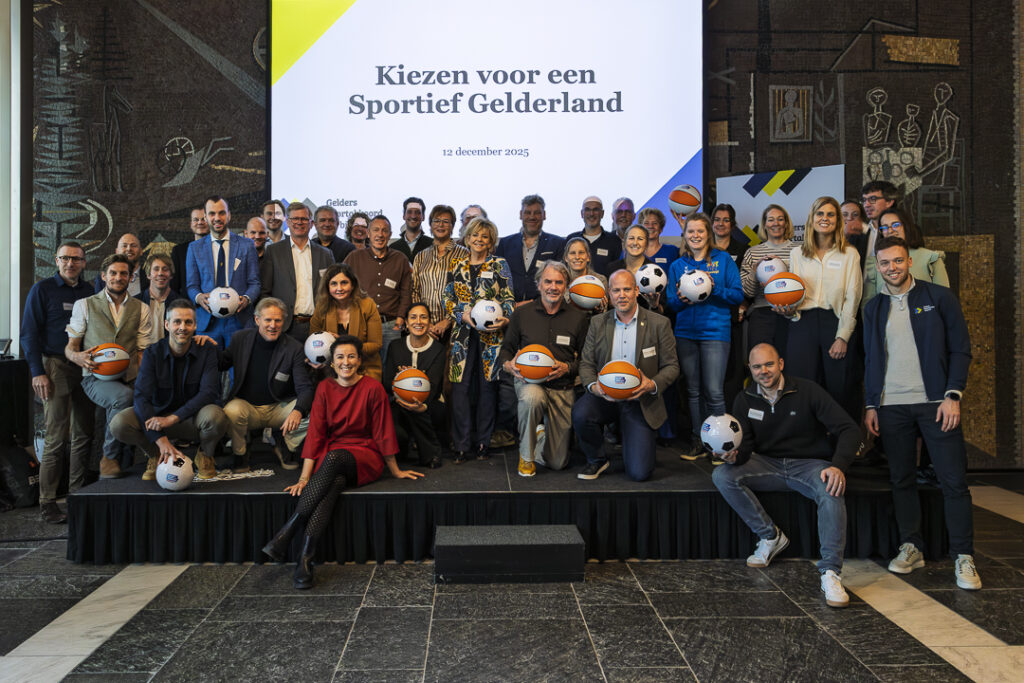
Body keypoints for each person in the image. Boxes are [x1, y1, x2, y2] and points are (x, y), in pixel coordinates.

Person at [863, 236, 980, 590]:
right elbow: (870, 358)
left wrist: (952, 394)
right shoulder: (873, 307)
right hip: (891, 406)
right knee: (902, 479)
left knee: (953, 481)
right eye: (885, 263)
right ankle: (911, 546)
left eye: (898, 261)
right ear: (878, 266)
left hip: (937, 404)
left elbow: (961, 349)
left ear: (909, 261)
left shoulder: (939, 297)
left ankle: (964, 557)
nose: (892, 268)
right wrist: (871, 403)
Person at [261, 335, 423, 589]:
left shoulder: (373, 388)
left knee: (334, 458)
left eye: (351, 356)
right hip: (333, 455)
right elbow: (315, 434)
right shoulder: (324, 388)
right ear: (332, 362)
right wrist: (304, 478)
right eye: (340, 357)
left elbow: (383, 432)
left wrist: (395, 471)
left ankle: (288, 530)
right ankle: (305, 558)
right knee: (333, 484)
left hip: (365, 455)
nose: (345, 362)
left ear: (359, 361)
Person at [713, 343, 859, 608]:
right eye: (757, 367)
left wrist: (838, 466)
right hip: (767, 463)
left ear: (780, 364)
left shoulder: (808, 391)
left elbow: (850, 429)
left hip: (809, 465)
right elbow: (745, 448)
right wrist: (734, 457)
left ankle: (830, 573)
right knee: (722, 475)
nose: (764, 371)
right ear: (751, 370)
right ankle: (770, 536)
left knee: (832, 489)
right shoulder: (744, 398)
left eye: (769, 364)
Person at [572, 270, 679, 481]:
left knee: (640, 473)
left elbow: (672, 366)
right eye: (616, 290)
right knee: (581, 413)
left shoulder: (659, 323)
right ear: (609, 294)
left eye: (627, 289)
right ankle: (597, 459)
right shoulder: (597, 323)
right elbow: (586, 364)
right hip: (605, 395)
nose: (621, 295)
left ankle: (633, 440)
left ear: (636, 291)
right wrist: (594, 387)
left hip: (640, 399)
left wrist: (652, 384)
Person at [109, 300, 228, 480]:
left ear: (195, 325)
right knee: (119, 424)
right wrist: (160, 439)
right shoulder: (152, 353)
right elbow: (141, 397)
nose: (183, 327)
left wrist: (173, 418)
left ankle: (205, 454)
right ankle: (157, 453)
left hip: (192, 419)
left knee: (216, 416)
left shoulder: (206, 350)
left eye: (188, 322)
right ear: (167, 324)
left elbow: (209, 392)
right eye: (177, 322)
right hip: (158, 420)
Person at [20, 241, 94, 523]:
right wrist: (37, 372)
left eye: (76, 259)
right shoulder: (42, 290)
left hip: (85, 368)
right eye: (65, 258)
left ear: (84, 263)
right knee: (56, 436)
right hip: (55, 366)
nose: (70, 263)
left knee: (84, 434)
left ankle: (76, 494)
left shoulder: (90, 292)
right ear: (56, 260)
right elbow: (28, 333)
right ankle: (48, 501)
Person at [66, 254, 153, 479]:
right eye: (113, 273)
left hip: (130, 375)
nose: (118, 277)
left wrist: (143, 384)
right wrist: (77, 357)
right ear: (104, 276)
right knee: (123, 398)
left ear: (131, 277)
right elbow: (70, 348)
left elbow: (142, 352)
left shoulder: (142, 308)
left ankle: (152, 460)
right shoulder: (84, 305)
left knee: (144, 402)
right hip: (95, 378)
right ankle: (109, 458)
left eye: (124, 273)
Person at [499, 262, 589, 476]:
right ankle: (526, 457)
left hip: (562, 386)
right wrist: (509, 365)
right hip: (529, 383)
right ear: (538, 284)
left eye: (559, 282)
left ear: (566, 286)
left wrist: (567, 367)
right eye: (548, 281)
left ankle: (539, 436)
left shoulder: (578, 318)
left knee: (557, 462)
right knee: (532, 398)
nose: (553, 287)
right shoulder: (522, 314)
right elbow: (506, 350)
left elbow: (587, 361)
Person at [666, 212, 744, 462]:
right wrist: (681, 299)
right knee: (692, 390)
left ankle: (719, 444)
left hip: (715, 332)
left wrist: (713, 288)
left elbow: (737, 295)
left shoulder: (723, 260)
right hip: (686, 334)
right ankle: (698, 440)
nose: (695, 235)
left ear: (708, 234)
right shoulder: (678, 265)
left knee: (714, 391)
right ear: (684, 235)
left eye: (700, 231)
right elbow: (670, 303)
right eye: (691, 231)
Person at [777, 196, 862, 420]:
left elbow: (852, 297)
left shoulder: (850, 254)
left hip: (834, 324)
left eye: (830, 214)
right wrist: (788, 311)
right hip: (801, 324)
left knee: (839, 387)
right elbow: (793, 292)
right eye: (820, 214)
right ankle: (806, 437)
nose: (825, 218)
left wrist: (843, 337)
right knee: (801, 385)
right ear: (812, 218)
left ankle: (843, 437)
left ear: (838, 220)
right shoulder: (797, 254)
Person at [443, 217, 515, 463]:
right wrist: (461, 315)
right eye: (475, 235)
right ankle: (461, 445)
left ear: (491, 240)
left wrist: (505, 318)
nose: (479, 240)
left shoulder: (499, 264)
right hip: (462, 336)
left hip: (491, 336)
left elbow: (508, 298)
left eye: (484, 236)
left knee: (488, 388)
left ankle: (484, 442)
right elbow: (447, 298)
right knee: (460, 389)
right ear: (467, 237)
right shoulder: (457, 265)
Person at [221, 298, 314, 473]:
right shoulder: (240, 339)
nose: (273, 325)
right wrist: (205, 346)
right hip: (247, 407)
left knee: (314, 411)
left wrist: (298, 410)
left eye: (278, 320)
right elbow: (221, 363)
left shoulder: (294, 348)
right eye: (268, 320)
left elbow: (305, 388)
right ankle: (240, 452)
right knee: (230, 412)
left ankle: (286, 443)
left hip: (279, 407)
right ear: (257, 320)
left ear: (284, 322)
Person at [186, 196, 261, 348]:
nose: (217, 218)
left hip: (239, 321)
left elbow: (255, 283)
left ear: (229, 215)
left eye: (221, 213)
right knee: (208, 364)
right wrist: (199, 297)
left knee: (239, 364)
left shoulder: (247, 245)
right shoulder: (194, 248)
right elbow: (191, 286)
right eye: (212, 214)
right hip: (208, 323)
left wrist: (247, 299)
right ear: (205, 217)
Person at [383, 302, 447, 470]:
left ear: (429, 322)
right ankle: (402, 450)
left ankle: (431, 454)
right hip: (399, 401)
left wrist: (420, 403)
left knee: (418, 411)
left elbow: (434, 386)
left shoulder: (438, 349)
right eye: (413, 317)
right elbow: (387, 381)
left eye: (423, 317)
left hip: (430, 403)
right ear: (406, 322)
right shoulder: (395, 346)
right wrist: (401, 379)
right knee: (394, 420)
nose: (418, 321)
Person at [260, 203, 334, 341]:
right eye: (295, 219)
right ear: (288, 222)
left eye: (304, 219)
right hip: (284, 326)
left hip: (318, 325)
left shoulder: (325, 254)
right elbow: (265, 291)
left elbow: (332, 291)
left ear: (311, 223)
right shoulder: (273, 252)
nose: (299, 222)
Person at [343, 214, 412, 362]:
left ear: (390, 235)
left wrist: (400, 319)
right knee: (361, 366)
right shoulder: (354, 257)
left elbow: (406, 292)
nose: (380, 234)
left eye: (384, 230)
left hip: (391, 325)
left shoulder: (400, 259)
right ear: (368, 233)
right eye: (376, 230)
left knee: (390, 368)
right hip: (361, 324)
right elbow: (341, 288)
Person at [310, 264, 383, 381]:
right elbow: (313, 343)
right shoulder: (321, 308)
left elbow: (376, 345)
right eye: (334, 284)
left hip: (364, 369)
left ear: (353, 285)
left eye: (344, 283)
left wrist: (343, 343)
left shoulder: (367, 305)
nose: (339, 288)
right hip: (332, 371)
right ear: (327, 287)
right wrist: (312, 357)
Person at [862, 208, 948, 305]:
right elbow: (868, 304)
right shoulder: (876, 262)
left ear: (906, 227)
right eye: (884, 227)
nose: (890, 231)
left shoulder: (930, 258)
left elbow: (945, 299)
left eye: (895, 225)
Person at [739, 204, 795, 353]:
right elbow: (747, 292)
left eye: (780, 219)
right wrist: (755, 272)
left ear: (786, 223)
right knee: (761, 359)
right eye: (771, 220)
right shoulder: (752, 253)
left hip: (790, 312)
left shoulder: (798, 251)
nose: (776, 223)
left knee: (790, 361)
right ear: (764, 224)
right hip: (761, 314)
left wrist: (784, 278)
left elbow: (805, 284)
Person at [494, 194, 566, 305]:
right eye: (527, 212)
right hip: (510, 309)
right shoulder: (505, 243)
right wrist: (510, 305)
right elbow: (496, 278)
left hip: (543, 308)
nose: (532, 217)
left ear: (544, 215)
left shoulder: (557, 243)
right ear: (520, 215)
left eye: (537, 213)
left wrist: (533, 303)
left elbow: (560, 280)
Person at [411, 204, 468, 340]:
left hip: (455, 327)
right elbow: (415, 291)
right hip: (425, 328)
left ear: (452, 226)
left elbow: (467, 293)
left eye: (446, 221)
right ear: (430, 225)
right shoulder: (420, 256)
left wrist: (447, 321)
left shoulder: (464, 254)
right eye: (436, 221)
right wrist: (425, 322)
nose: (440, 225)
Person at [606, 225, 666, 313]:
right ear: (624, 242)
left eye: (640, 239)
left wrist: (654, 305)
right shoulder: (612, 268)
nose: (635, 243)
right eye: (631, 238)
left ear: (647, 244)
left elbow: (662, 311)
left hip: (645, 320)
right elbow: (608, 304)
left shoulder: (656, 272)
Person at [566, 196, 620, 277]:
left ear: (602, 214)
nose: (591, 214)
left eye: (596, 209)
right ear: (582, 214)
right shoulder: (571, 239)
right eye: (587, 210)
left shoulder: (614, 241)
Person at [136, 253, 181, 344]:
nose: (160, 273)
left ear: (171, 275)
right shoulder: (135, 302)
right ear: (148, 274)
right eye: (156, 269)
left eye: (165, 269)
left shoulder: (181, 303)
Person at [858, 180, 898, 275]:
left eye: (873, 199)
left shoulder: (901, 230)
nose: (866, 205)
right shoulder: (860, 232)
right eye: (864, 200)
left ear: (888, 202)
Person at [563, 237, 607, 313]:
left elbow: (602, 313)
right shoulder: (559, 281)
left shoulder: (600, 280)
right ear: (566, 258)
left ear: (588, 257)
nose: (577, 257)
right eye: (573, 253)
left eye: (581, 253)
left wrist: (600, 310)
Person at [171, 208, 208, 294]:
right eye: (196, 220)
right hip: (186, 301)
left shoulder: (219, 247)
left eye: (204, 219)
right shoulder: (179, 251)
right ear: (191, 224)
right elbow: (174, 285)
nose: (200, 222)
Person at [391, 197, 432, 262]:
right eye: (409, 212)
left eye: (417, 212)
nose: (413, 216)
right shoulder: (393, 248)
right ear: (404, 216)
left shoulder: (433, 245)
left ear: (423, 217)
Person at [841, 200, 869, 265]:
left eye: (855, 215)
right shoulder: (830, 236)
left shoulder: (867, 237)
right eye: (845, 215)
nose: (849, 218)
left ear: (861, 218)